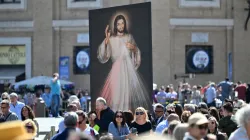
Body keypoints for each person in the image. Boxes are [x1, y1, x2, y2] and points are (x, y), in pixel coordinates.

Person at [97, 14, 149, 111]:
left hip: (126, 69)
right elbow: (104, 56)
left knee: (126, 95)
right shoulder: (111, 39)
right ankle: (116, 114)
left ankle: (125, 114)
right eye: (118, 24)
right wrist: (107, 40)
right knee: (116, 94)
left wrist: (133, 48)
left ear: (125, 24)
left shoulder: (129, 37)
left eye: (122, 23)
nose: (121, 26)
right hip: (116, 69)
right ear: (115, 26)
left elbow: (136, 51)